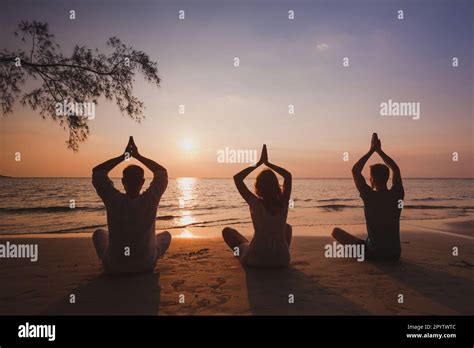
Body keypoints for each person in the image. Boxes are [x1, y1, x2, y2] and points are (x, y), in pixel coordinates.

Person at [92, 136, 171, 274]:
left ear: (123, 181)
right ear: (143, 181)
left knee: (99, 233)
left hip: (115, 266)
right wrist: (138, 156)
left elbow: (98, 172)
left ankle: (110, 261)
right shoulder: (150, 199)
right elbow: (161, 173)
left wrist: (124, 156)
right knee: (166, 236)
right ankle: (145, 256)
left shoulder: (113, 199)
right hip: (145, 265)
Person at [332, 133, 404, 262]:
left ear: (371, 180)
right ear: (388, 178)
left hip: (374, 254)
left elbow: (355, 170)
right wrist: (379, 151)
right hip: (395, 254)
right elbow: (396, 169)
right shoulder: (397, 193)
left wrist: (371, 150)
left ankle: (363, 251)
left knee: (336, 232)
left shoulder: (368, 195)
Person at [222, 144, 292, 268]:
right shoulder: (283, 202)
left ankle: (247, 249)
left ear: (258, 187)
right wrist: (268, 164)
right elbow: (288, 176)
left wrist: (259, 163)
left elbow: (237, 178)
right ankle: (275, 255)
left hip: (256, 259)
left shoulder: (254, 202)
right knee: (287, 228)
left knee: (228, 232)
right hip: (282, 260)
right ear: (276, 186)